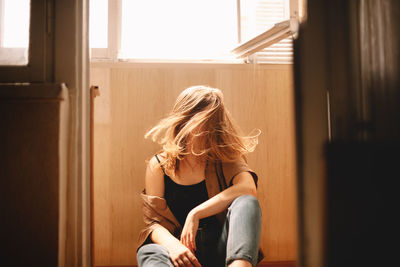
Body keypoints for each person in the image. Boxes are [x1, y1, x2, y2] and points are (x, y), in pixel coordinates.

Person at [137, 85, 263, 267]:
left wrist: (195, 214)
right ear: (186, 118)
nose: (213, 125)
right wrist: (174, 246)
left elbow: (248, 189)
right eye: (207, 119)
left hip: (222, 250)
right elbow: (153, 224)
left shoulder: (225, 157)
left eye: (216, 119)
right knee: (148, 250)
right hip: (181, 253)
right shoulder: (159, 165)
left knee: (247, 203)